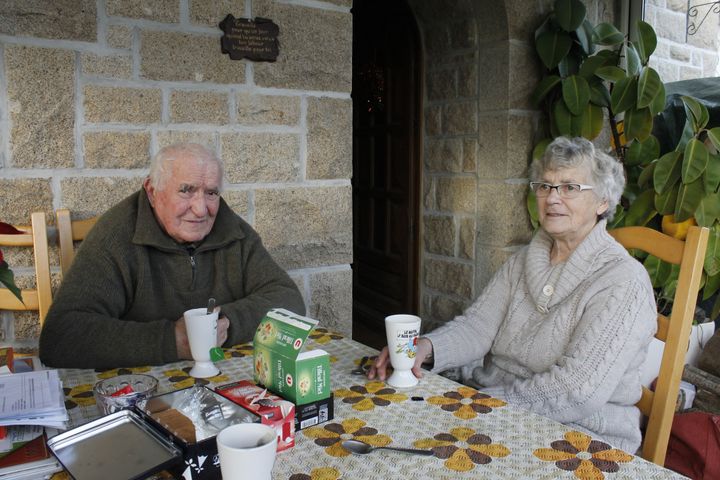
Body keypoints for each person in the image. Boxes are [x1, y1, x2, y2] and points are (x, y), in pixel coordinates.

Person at [369, 136, 657, 453]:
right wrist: (424, 348)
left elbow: (577, 390)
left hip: (579, 436)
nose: (552, 198)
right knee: (390, 429)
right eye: (545, 186)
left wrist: (481, 408)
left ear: (603, 201)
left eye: (570, 187)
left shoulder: (623, 282)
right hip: (498, 409)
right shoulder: (524, 260)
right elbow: (478, 326)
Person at [40, 143, 305, 369]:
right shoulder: (116, 235)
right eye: (186, 190)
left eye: (211, 193)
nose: (201, 209)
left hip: (224, 380)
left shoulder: (231, 229)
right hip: (139, 391)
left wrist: (226, 324)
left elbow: (289, 301)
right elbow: (62, 335)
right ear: (153, 192)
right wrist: (171, 341)